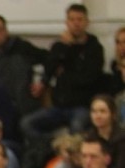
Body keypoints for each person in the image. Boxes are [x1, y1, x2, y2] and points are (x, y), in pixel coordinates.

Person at [20, 4, 105, 142]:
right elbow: (49, 69)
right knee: (26, 123)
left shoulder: (94, 48)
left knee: (77, 127)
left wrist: (65, 73)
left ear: (86, 23)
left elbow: (89, 78)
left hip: (81, 106)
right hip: (58, 107)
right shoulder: (59, 46)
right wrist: (65, 48)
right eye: (72, 20)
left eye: (79, 19)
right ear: (67, 22)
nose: (76, 23)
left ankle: (65, 145)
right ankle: (55, 142)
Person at [0, 14, 47, 118]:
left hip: (25, 107)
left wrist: (42, 82)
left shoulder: (22, 48)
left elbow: (48, 60)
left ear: (5, 31)